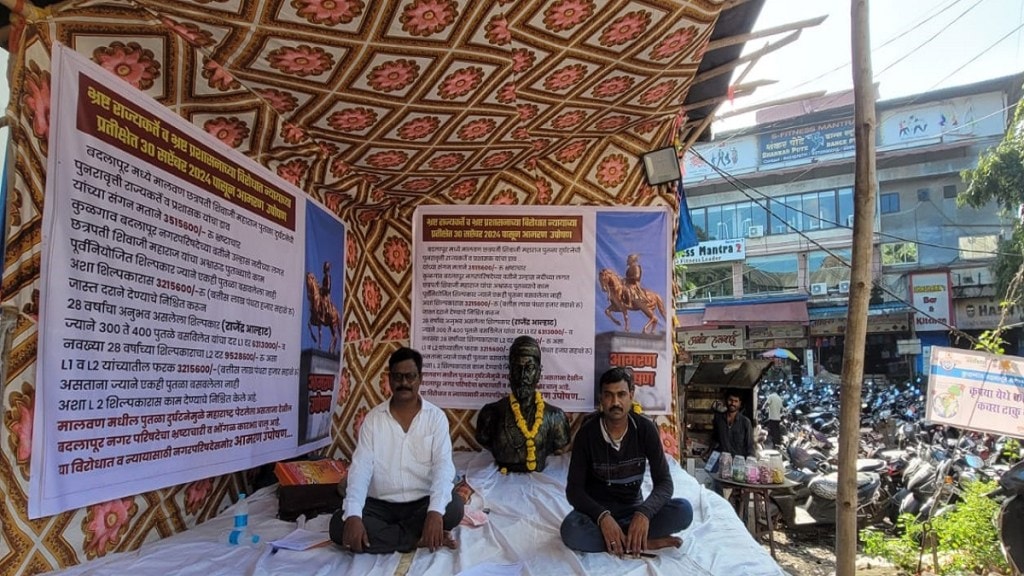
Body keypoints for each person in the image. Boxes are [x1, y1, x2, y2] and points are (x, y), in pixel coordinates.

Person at [330, 347, 464, 554]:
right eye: (397, 377)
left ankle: (390, 538)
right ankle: (414, 539)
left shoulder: (435, 418)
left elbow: (443, 467)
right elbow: (360, 469)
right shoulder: (373, 420)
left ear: (420, 378)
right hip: (380, 506)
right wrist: (355, 516)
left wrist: (435, 512)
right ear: (389, 380)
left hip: (421, 503)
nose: (404, 383)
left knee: (453, 507)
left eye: (410, 376)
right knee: (339, 526)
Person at [560, 367, 692, 555]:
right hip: (597, 515)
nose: (615, 402)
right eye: (609, 395)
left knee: (683, 510)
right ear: (601, 398)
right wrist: (602, 517)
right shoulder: (586, 434)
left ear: (631, 395)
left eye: (621, 394)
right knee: (571, 531)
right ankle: (641, 542)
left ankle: (624, 538)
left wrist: (644, 513)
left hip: (633, 509)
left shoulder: (646, 429)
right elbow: (574, 491)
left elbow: (664, 483)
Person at [476, 335, 571, 473]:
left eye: (529, 368)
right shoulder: (490, 414)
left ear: (538, 373)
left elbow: (561, 441)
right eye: (517, 368)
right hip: (501, 480)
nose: (522, 375)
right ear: (509, 372)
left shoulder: (556, 418)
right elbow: (483, 438)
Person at [707, 388, 755, 460]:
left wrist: (750, 463)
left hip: (739, 464)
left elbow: (750, 446)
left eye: (736, 401)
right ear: (726, 400)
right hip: (722, 462)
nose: (733, 403)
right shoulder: (719, 420)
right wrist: (708, 453)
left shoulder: (745, 422)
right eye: (730, 400)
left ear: (740, 403)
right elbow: (715, 440)